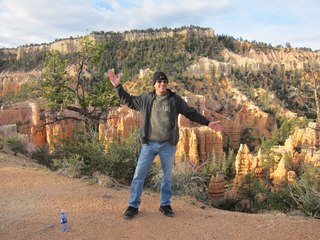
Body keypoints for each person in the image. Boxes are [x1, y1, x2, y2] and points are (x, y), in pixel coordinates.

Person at [107, 69, 224, 219]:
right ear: (154, 84)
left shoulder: (174, 99)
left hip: (168, 145)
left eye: (164, 81)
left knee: (167, 177)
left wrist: (208, 123)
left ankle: (165, 204)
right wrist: (118, 86)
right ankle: (133, 205)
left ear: (167, 84)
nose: (162, 84)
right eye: (159, 81)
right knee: (138, 175)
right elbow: (128, 100)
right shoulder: (146, 98)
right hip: (149, 144)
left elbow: (190, 112)